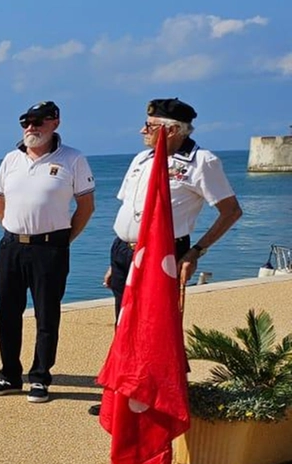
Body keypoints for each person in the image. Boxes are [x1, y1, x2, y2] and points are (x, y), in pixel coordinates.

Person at [92, 97, 242, 414]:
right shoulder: (142, 160)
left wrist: (196, 251)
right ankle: (122, 394)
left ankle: (151, 398)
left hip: (164, 254)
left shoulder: (202, 162)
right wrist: (116, 260)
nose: (142, 130)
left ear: (172, 130)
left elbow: (230, 212)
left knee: (153, 327)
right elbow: (130, 210)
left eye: (150, 125)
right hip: (124, 251)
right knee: (124, 323)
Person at [0, 100, 95, 404]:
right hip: (11, 247)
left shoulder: (73, 159)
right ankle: (8, 374)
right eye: (26, 123)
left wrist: (63, 240)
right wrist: (12, 228)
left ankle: (40, 377)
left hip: (51, 247)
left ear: (55, 123)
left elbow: (86, 206)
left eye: (38, 122)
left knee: (47, 314)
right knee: (6, 313)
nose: (31, 128)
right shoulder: (10, 159)